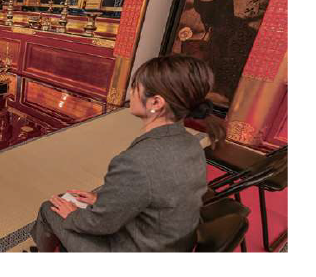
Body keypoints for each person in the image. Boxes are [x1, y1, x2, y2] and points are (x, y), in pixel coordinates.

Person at [30, 55, 225, 252]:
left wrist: (73, 215)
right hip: (171, 243)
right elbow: (158, 196)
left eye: (135, 87)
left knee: (51, 208)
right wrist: (102, 200)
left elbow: (100, 223)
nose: (130, 92)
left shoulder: (136, 162)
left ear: (156, 102)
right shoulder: (192, 143)